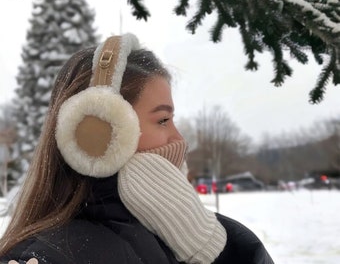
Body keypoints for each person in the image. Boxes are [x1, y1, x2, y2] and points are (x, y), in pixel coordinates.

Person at [0, 34, 274, 264]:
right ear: (98, 134)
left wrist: (206, 244)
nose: (178, 139)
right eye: (163, 120)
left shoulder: (189, 231)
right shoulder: (54, 256)